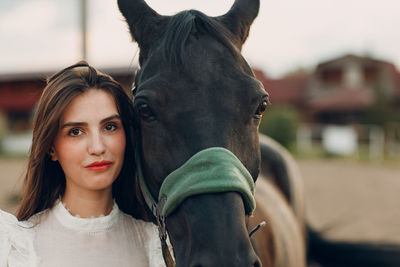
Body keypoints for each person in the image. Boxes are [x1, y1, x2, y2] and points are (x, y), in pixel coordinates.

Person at [0, 61, 165, 267]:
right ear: (51, 148)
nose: (97, 147)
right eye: (76, 131)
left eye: (110, 127)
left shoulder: (157, 245)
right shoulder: (15, 247)